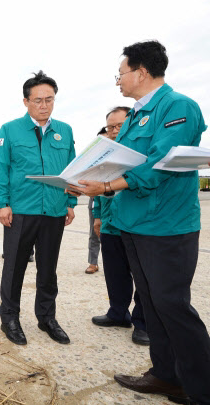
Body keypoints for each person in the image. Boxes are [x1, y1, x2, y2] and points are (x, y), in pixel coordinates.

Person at [73, 40, 210, 404]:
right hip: (134, 223)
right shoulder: (135, 114)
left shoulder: (178, 106)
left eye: (121, 73)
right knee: (151, 303)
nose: (118, 81)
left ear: (142, 72)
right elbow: (124, 160)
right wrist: (93, 178)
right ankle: (166, 376)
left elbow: (158, 164)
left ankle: (201, 387)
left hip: (166, 226)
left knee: (173, 305)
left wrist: (105, 185)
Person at [0, 70, 76, 346]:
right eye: (38, 100)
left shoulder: (64, 131)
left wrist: (70, 202)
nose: (44, 105)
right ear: (26, 102)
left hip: (53, 209)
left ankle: (46, 317)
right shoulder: (10, 129)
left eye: (49, 99)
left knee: (48, 268)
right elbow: (0, 168)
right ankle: (10, 318)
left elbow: (72, 170)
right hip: (21, 211)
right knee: (14, 268)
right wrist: (2, 203)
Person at [90, 107, 148, 346]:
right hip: (111, 224)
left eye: (118, 127)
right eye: (110, 127)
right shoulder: (106, 155)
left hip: (137, 225)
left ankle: (143, 323)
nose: (113, 132)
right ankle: (118, 313)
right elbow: (98, 190)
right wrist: (97, 216)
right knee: (115, 273)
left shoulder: (140, 153)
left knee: (143, 276)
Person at [85, 127, 107, 274]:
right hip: (96, 200)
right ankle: (93, 262)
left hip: (117, 199)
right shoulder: (93, 160)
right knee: (95, 232)